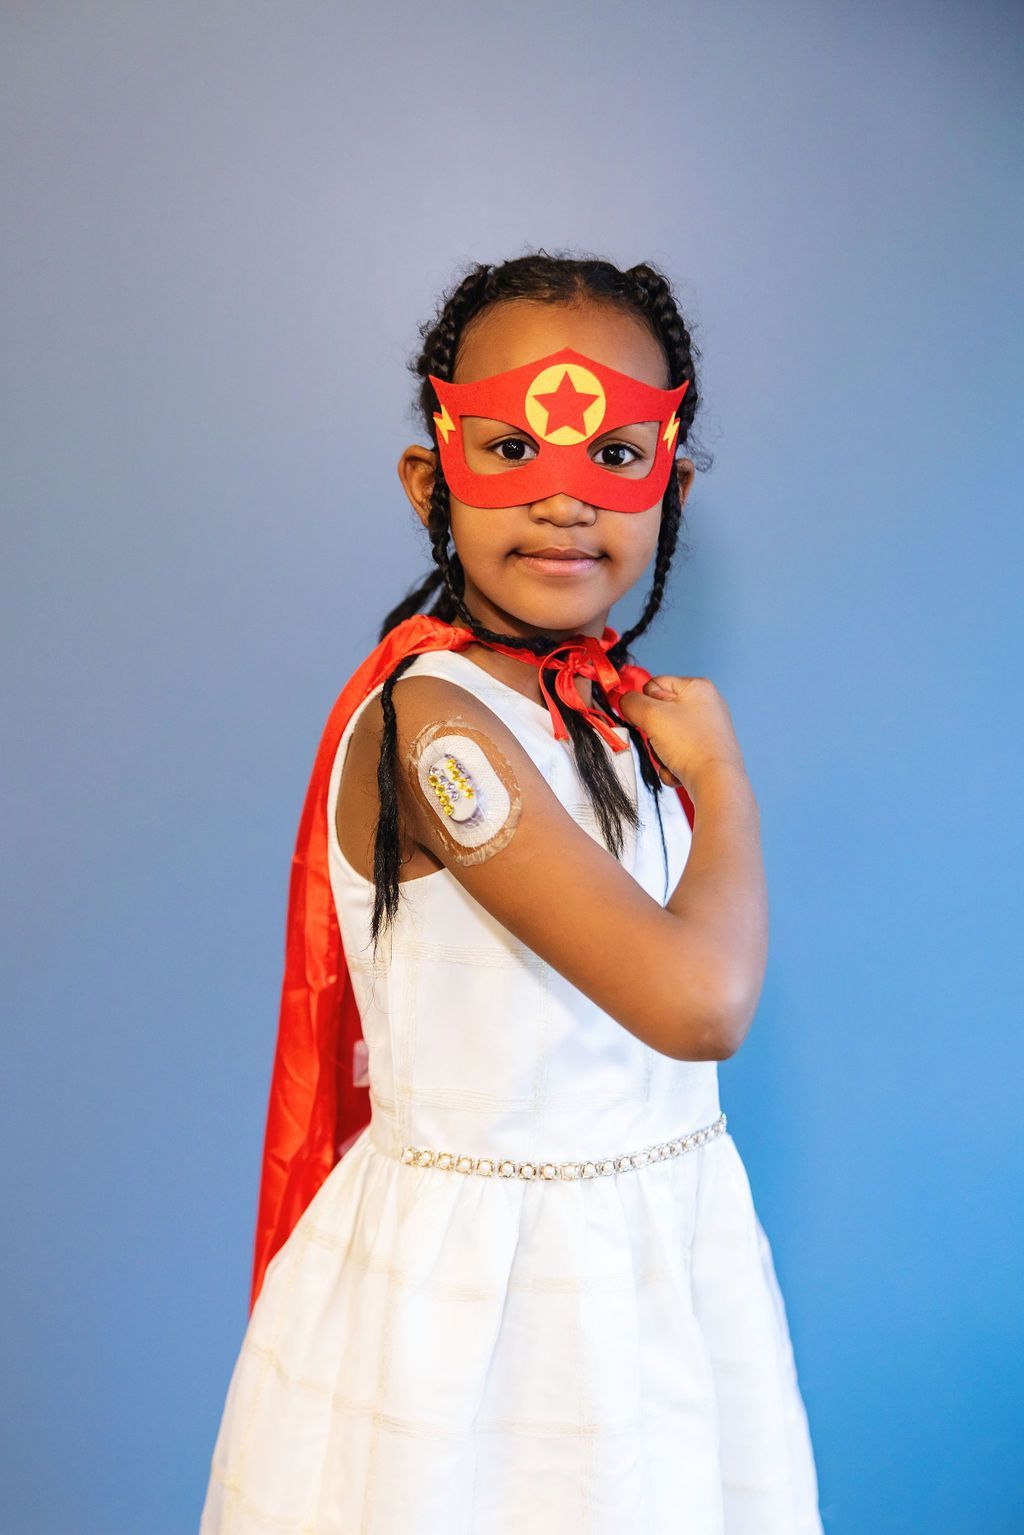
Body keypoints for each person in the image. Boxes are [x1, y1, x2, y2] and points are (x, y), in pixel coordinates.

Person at [199, 252, 825, 1534]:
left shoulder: (605, 714)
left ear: (671, 487)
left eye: (615, 456)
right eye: (508, 449)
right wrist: (724, 776)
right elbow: (699, 1003)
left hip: (655, 1263)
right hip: (488, 1309)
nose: (563, 498)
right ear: (429, 478)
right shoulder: (440, 727)